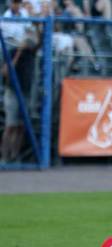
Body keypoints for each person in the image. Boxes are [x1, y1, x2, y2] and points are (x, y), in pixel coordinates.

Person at [1, 0, 38, 164]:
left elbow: (34, 40)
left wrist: (26, 43)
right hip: (12, 88)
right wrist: (20, 48)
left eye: (19, 3)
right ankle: (4, 157)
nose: (17, 5)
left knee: (22, 126)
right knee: (10, 125)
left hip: (26, 86)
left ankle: (14, 157)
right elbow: (5, 70)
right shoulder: (6, 19)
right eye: (14, 2)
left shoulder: (25, 18)